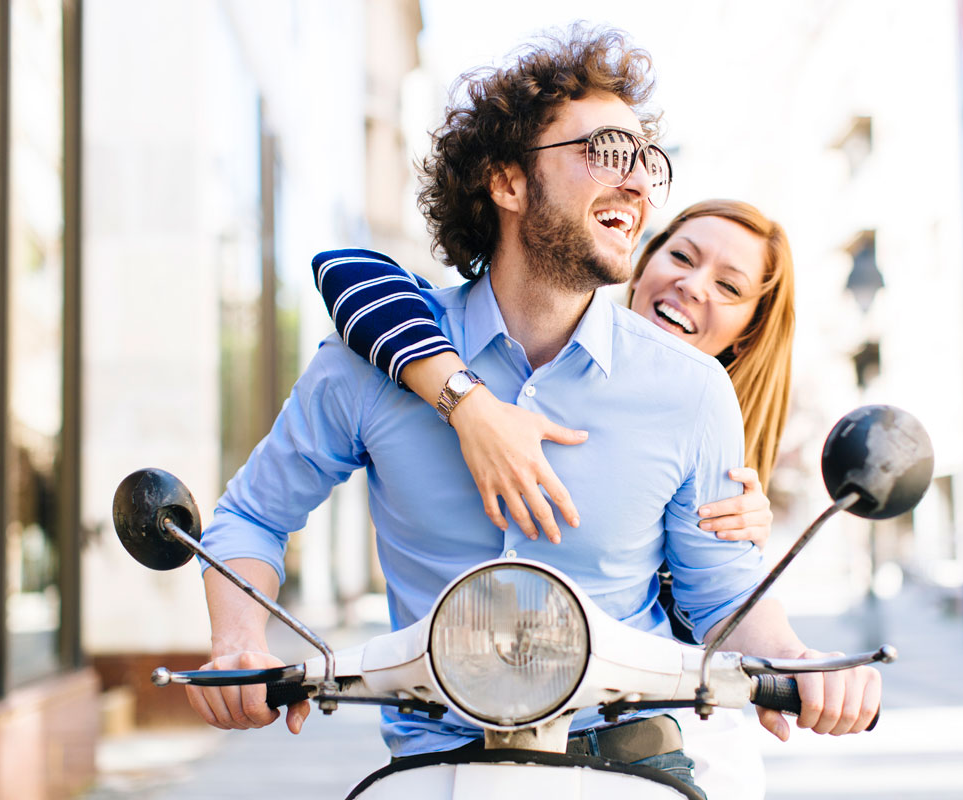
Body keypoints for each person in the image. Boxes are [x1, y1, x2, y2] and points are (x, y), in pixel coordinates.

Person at [189, 27, 879, 797]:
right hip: (431, 763)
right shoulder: (375, 359)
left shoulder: (691, 391)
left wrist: (801, 660)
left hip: (628, 761)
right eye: (604, 153)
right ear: (508, 182)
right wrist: (239, 642)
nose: (638, 183)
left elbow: (722, 595)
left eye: (645, 163)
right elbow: (251, 515)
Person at [314, 199, 794, 799]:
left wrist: (792, 658)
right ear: (641, 263)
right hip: (466, 742)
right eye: (680, 257)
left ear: (750, 327)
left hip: (664, 732)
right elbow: (349, 272)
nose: (693, 286)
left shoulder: (713, 422)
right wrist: (469, 406)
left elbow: (725, 592)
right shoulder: (547, 362)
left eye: (728, 286)